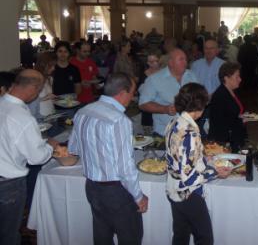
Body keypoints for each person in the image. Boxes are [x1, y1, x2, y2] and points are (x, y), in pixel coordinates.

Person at [68, 72, 148, 245]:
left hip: (92, 187)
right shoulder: (119, 120)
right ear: (123, 93)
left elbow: (74, 148)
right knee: (130, 238)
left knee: (102, 238)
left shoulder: (82, 111)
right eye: (132, 93)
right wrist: (138, 196)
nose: (133, 97)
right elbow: (125, 167)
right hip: (116, 191)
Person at [166, 83, 230, 245]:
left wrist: (203, 159)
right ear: (200, 105)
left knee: (180, 235)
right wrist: (216, 172)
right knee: (204, 238)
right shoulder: (190, 132)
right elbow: (189, 178)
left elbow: (179, 156)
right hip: (188, 194)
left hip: (173, 189)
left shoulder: (174, 122)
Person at [0, 69, 57, 244]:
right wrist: (49, 145)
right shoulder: (22, 117)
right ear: (33, 88)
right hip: (8, 185)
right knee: (8, 235)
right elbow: (37, 157)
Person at [139, 49, 198, 135]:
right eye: (181, 59)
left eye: (186, 59)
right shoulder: (154, 79)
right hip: (165, 133)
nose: (185, 62)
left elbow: (199, 97)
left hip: (189, 132)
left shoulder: (191, 76)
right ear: (170, 62)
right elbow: (143, 104)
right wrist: (165, 109)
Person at [208, 62, 245, 152]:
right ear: (226, 78)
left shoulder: (232, 91)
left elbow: (234, 112)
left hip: (234, 138)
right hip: (224, 143)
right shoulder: (219, 96)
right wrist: (241, 120)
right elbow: (219, 123)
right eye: (237, 77)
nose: (240, 79)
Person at [138, 51, 163, 127]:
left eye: (156, 61)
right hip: (148, 107)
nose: (154, 63)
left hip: (161, 106)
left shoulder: (164, 74)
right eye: (151, 62)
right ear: (148, 63)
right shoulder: (144, 74)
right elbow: (140, 91)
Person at [29, 52, 57, 119]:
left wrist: (55, 100)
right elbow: (28, 101)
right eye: (51, 66)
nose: (53, 68)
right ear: (43, 64)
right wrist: (45, 98)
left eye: (54, 66)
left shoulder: (50, 78)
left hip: (51, 113)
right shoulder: (33, 78)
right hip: (40, 116)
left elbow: (50, 99)